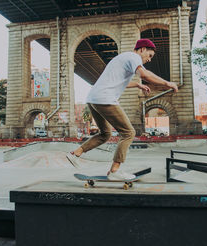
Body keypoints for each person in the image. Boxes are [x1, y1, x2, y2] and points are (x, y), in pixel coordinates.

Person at [66, 38, 178, 180]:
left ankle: (74, 154)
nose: (149, 60)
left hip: (93, 98)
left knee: (105, 134)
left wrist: (137, 85)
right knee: (128, 132)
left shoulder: (123, 58)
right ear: (142, 49)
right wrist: (167, 83)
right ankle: (115, 171)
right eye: (149, 55)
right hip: (105, 99)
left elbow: (118, 81)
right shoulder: (133, 57)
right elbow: (145, 74)